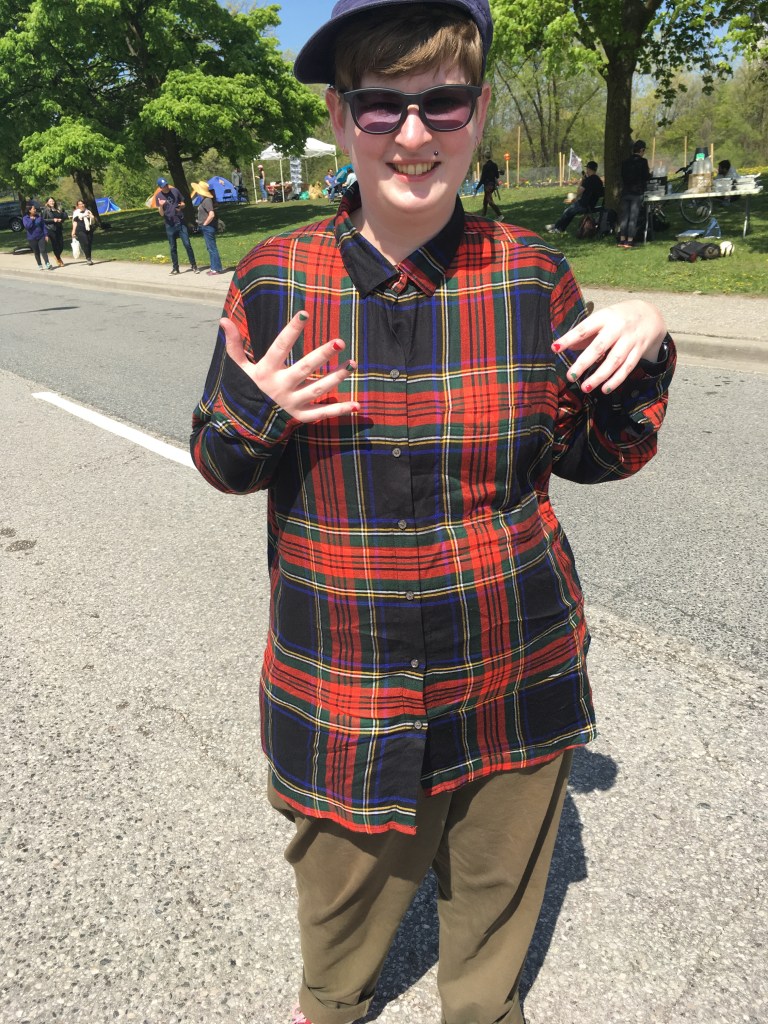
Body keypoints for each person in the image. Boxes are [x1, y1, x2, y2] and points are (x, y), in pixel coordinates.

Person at [190, 3, 675, 1024]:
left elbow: (600, 455)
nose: (414, 135)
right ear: (339, 117)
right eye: (382, 107)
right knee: (336, 933)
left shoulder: (534, 278)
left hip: (516, 669)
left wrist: (644, 344)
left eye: (441, 103)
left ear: (478, 111)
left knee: (494, 934)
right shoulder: (275, 279)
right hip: (345, 681)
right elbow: (221, 464)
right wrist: (252, 409)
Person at [546, 160, 604, 235]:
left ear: (589, 169)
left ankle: (558, 228)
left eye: (587, 169)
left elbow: (579, 191)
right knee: (570, 212)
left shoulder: (588, 180)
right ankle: (558, 226)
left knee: (567, 211)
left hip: (584, 204)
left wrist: (582, 180)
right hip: (591, 204)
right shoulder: (598, 180)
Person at [155, 177, 198, 275]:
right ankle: (175, 268)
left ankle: (194, 265)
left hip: (180, 222)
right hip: (170, 225)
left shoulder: (175, 191)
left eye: (166, 185)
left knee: (187, 244)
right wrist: (161, 206)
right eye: (163, 186)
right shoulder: (158, 196)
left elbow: (183, 203)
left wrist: (181, 206)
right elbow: (161, 214)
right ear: (160, 187)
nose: (166, 187)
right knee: (173, 247)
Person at [617, 139, 650, 249]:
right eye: (644, 150)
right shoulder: (643, 162)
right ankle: (630, 240)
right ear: (641, 150)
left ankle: (622, 239)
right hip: (637, 192)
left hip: (626, 191)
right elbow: (646, 176)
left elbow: (622, 176)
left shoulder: (625, 162)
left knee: (624, 217)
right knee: (633, 217)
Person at [191, 180, 224, 275]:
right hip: (205, 227)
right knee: (210, 248)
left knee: (212, 248)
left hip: (208, 227)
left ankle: (216, 268)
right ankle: (214, 267)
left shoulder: (207, 200)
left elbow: (211, 214)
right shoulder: (204, 200)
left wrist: (204, 224)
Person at [22, 203, 53, 270]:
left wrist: (46, 235)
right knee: (36, 251)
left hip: (41, 236)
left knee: (43, 250)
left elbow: (43, 226)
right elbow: (27, 226)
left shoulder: (39, 216)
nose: (35, 210)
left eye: (35, 209)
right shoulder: (25, 218)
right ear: (29, 210)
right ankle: (39, 264)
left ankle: (47, 263)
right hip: (32, 238)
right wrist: (31, 220)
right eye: (33, 209)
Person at [42, 196, 67, 266]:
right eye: (50, 201)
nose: (52, 202)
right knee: (55, 244)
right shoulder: (46, 210)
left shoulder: (57, 209)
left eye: (53, 201)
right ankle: (59, 259)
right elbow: (43, 220)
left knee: (61, 245)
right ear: (47, 202)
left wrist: (62, 218)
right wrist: (53, 220)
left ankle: (56, 256)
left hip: (59, 228)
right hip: (51, 229)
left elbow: (62, 217)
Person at [479, 148, 503, 219]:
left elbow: (482, 178)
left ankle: (500, 215)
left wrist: (477, 188)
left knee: (489, 201)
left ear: (485, 157)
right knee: (485, 201)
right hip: (492, 185)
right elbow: (497, 176)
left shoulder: (485, 166)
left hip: (488, 186)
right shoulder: (494, 165)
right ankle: (483, 217)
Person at [71, 199, 96, 264]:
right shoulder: (76, 212)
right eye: (79, 204)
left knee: (89, 244)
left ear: (84, 204)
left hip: (88, 229)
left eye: (82, 204)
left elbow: (92, 222)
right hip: (80, 230)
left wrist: (92, 217)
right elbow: (74, 222)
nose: (81, 205)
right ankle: (88, 258)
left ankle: (89, 257)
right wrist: (73, 231)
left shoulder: (88, 211)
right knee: (86, 242)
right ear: (78, 206)